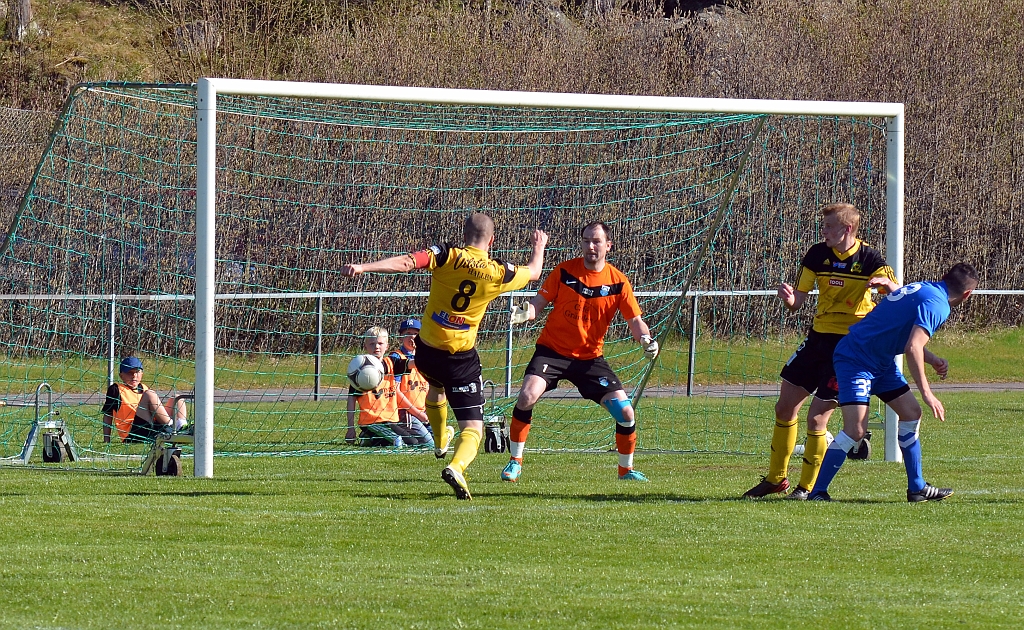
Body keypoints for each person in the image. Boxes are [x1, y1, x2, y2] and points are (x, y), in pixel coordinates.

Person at [341, 213, 548, 500]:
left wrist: (364, 267)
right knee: (473, 428)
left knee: (436, 389)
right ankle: (456, 466)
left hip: (426, 352)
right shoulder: (499, 271)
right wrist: (539, 246)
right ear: (491, 241)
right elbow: (535, 272)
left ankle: (440, 442)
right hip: (460, 360)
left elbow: (406, 263)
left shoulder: (446, 255)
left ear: (464, 237)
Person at [743, 203, 898, 500]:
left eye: (828, 227)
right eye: (823, 226)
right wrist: (789, 299)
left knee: (817, 419)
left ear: (847, 229)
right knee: (784, 407)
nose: (823, 231)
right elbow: (797, 303)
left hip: (850, 349)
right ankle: (776, 479)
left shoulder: (870, 258)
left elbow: (897, 292)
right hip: (817, 340)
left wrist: (886, 285)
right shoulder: (816, 254)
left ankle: (807, 488)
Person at [502, 220, 659, 483]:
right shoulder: (565, 271)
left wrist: (646, 339)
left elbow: (635, 320)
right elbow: (538, 303)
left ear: (608, 246)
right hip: (552, 352)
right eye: (586, 241)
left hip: (589, 360)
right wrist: (525, 313)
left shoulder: (618, 282)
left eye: (596, 241)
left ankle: (625, 471)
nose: (590, 246)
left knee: (626, 413)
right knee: (527, 396)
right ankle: (515, 462)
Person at [809, 263, 978, 502]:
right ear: (967, 294)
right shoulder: (938, 305)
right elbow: (913, 347)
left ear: (944, 277)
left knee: (911, 413)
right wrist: (927, 393)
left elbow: (900, 332)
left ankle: (917, 488)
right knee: (856, 430)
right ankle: (817, 493)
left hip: (881, 362)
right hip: (856, 360)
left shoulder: (924, 288)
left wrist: (932, 359)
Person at [346, 326, 433, 448]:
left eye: (380, 343)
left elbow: (414, 364)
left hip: (391, 420)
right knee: (397, 442)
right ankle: (369, 434)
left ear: (387, 346)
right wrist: (350, 428)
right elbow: (351, 399)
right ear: (365, 346)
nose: (376, 347)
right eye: (372, 344)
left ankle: (368, 438)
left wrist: (427, 353)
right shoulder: (360, 369)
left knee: (413, 442)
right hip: (371, 421)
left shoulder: (391, 363)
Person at [102, 356, 187, 444]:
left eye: (137, 372)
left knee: (176, 398)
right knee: (149, 394)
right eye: (129, 372)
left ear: (142, 373)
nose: (134, 376)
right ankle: (172, 428)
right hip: (133, 433)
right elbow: (108, 415)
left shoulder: (144, 387)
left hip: (151, 426)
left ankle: (182, 427)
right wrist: (106, 440)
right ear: (121, 376)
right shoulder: (116, 389)